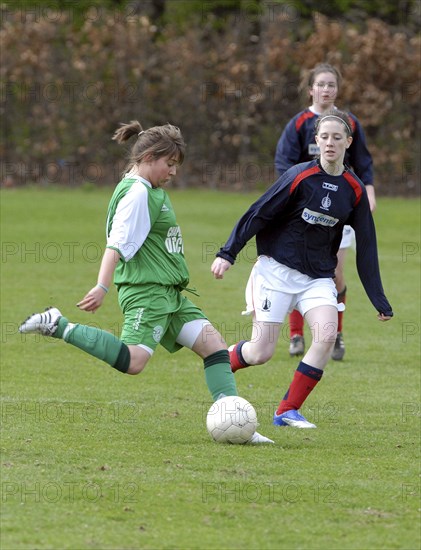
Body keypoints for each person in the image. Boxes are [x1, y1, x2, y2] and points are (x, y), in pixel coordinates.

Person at [19, 120, 273, 444]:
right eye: (169, 164)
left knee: (215, 347)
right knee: (134, 361)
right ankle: (58, 325)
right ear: (150, 157)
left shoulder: (150, 188)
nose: (173, 172)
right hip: (147, 292)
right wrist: (102, 286)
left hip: (168, 292)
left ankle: (235, 422)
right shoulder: (138, 193)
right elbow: (116, 243)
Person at [211, 110, 393, 429]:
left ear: (349, 142)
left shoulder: (354, 190)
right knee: (260, 352)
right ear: (316, 141)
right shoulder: (299, 175)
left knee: (325, 335)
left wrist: (378, 297)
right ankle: (218, 363)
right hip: (275, 272)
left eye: (338, 137)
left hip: (317, 278)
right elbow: (259, 213)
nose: (330, 143)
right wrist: (228, 253)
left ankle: (287, 410)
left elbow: (366, 245)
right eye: (324, 137)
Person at [274, 63, 377, 361]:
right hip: (301, 210)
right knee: (297, 267)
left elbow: (363, 162)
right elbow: (284, 165)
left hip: (339, 209)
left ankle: (336, 333)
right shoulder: (299, 124)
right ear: (311, 89)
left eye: (331, 84)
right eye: (321, 84)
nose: (326, 89)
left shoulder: (350, 123)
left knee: (333, 272)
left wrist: (368, 191)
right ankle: (296, 334)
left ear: (337, 89)